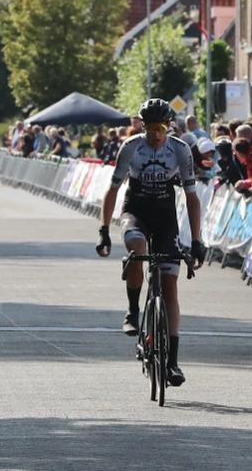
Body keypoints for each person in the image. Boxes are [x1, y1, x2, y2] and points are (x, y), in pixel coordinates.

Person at [95, 98, 203, 387]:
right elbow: (113, 189)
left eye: (161, 128)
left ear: (169, 127)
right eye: (151, 128)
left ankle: (173, 362)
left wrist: (196, 239)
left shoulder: (180, 150)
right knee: (138, 249)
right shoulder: (131, 147)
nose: (156, 134)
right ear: (143, 126)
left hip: (166, 217)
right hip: (136, 212)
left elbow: (192, 198)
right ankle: (133, 310)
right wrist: (104, 228)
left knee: (169, 285)